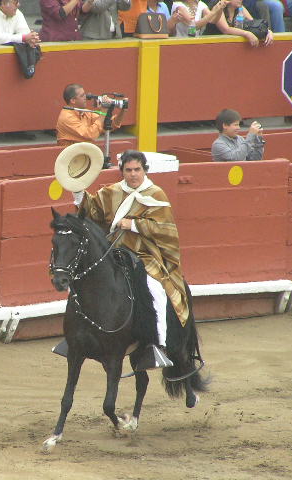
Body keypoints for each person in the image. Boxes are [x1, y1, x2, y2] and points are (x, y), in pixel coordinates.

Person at [74, 149, 190, 369]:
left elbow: (166, 230)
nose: (133, 174)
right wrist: (78, 193)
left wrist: (134, 224)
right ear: (122, 172)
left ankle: (158, 344)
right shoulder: (112, 192)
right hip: (115, 252)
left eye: (137, 169)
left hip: (144, 255)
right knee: (82, 278)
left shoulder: (156, 194)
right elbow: (92, 212)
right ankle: (76, 336)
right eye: (128, 170)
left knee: (156, 288)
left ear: (145, 170)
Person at [56, 83, 126, 148]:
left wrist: (123, 110)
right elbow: (90, 135)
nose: (85, 97)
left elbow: (110, 125)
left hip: (84, 154)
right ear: (73, 100)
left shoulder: (85, 112)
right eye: (82, 95)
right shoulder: (67, 116)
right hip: (71, 158)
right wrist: (103, 113)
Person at [204, 0, 273, 46]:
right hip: (213, 44)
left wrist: (268, 31)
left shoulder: (240, 7)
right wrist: (246, 33)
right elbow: (226, 29)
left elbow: (253, 23)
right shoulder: (219, 6)